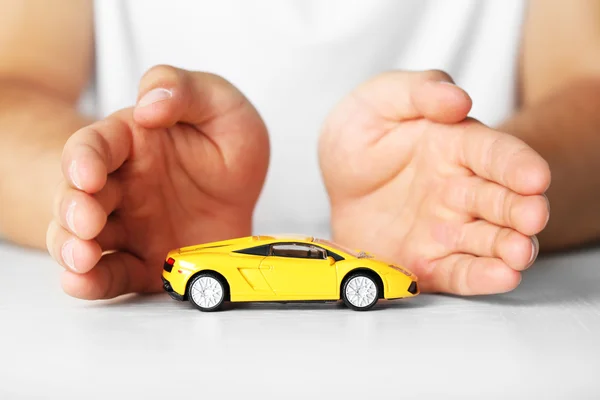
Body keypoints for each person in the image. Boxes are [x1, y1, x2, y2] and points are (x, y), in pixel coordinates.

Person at [1, 0, 597, 301]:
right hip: (153, 228)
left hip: (443, 243)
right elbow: (14, 80)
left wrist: (483, 187)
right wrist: (99, 189)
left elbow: (588, 85)